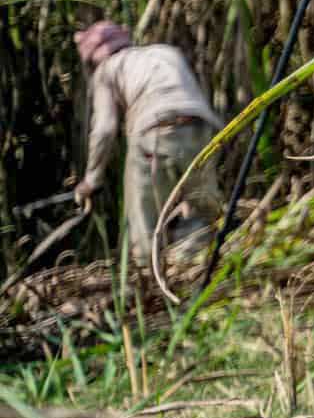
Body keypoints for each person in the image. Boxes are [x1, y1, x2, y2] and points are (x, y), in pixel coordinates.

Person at [73, 21, 225, 262]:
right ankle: (196, 274)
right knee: (201, 214)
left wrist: (91, 181)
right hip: (201, 128)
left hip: (154, 132)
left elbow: (104, 130)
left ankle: (150, 282)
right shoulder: (165, 51)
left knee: (145, 225)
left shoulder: (107, 70)